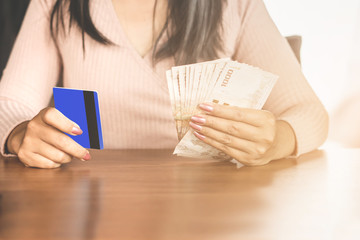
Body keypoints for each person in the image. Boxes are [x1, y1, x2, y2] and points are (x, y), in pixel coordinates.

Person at [0, 0, 328, 168]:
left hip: (212, 209)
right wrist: (18, 134)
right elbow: (9, 107)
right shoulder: (57, 4)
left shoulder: (235, 5)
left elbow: (309, 112)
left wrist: (276, 142)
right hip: (92, 206)